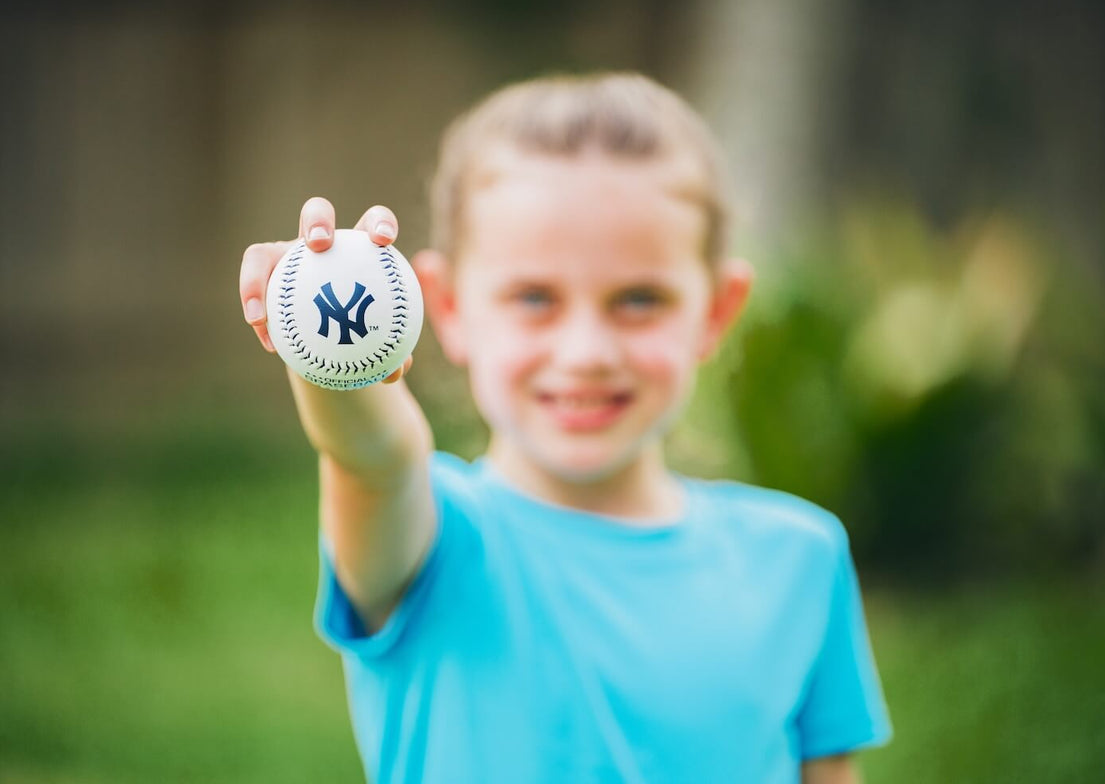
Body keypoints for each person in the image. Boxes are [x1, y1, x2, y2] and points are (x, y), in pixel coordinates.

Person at [238, 72, 891, 784]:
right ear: (448, 307)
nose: (586, 353)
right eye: (534, 297)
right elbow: (374, 453)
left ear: (717, 309)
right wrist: (333, 348)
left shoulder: (799, 560)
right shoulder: (432, 541)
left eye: (639, 299)